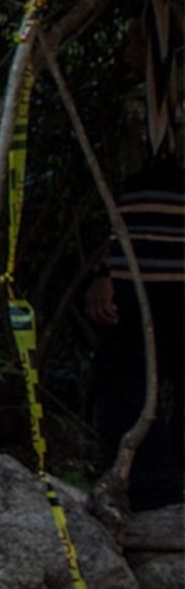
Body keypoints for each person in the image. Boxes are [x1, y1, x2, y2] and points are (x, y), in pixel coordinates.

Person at [85, 152, 183, 509]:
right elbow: (104, 206)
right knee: (122, 386)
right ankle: (155, 495)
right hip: (132, 280)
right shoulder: (134, 129)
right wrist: (101, 271)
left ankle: (166, 495)